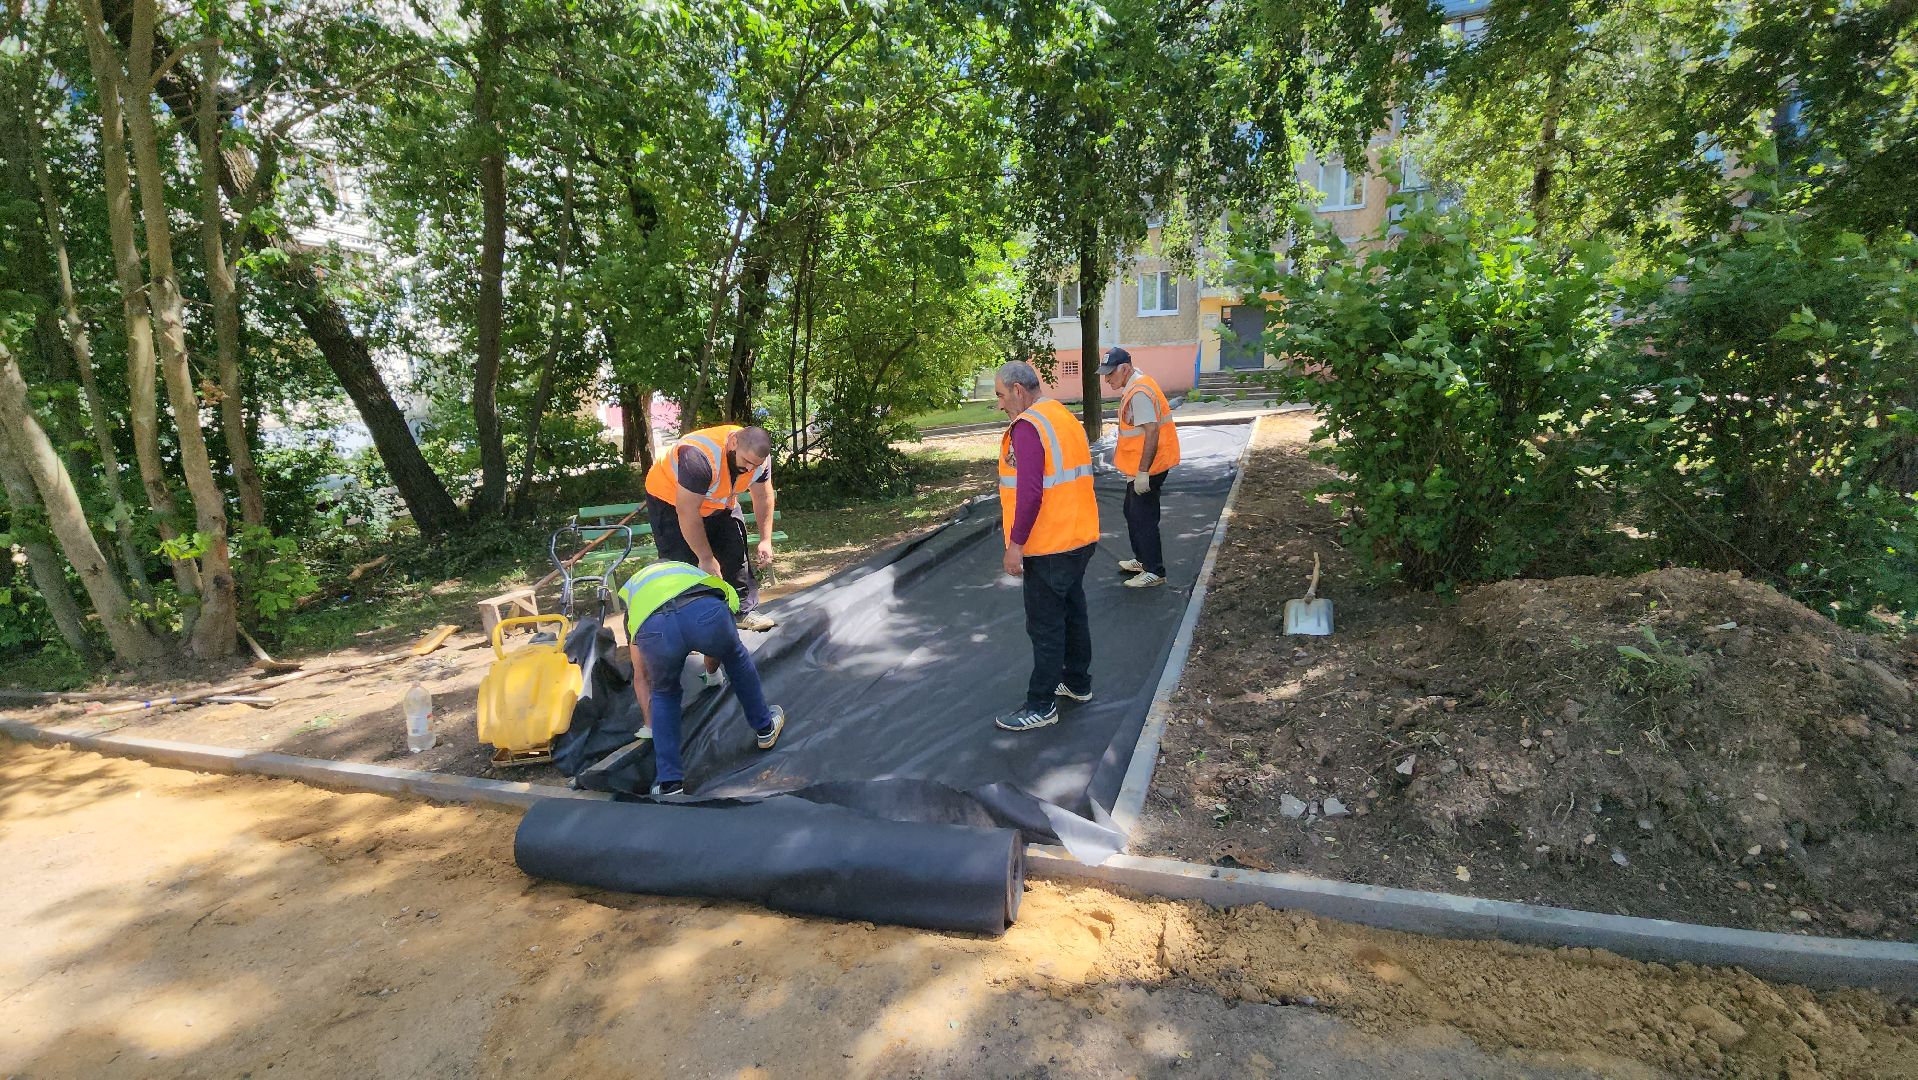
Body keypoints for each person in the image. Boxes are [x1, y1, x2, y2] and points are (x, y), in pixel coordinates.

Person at [992, 359, 1100, 732]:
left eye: (1002, 396)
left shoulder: (1028, 427)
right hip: (1078, 536)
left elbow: (1030, 492)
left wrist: (1015, 545)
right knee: (1073, 611)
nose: (1001, 405)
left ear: (1018, 390)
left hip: (1049, 544)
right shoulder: (1061, 416)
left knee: (1045, 625)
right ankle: (1077, 682)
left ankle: (1041, 704)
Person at [619, 560, 786, 796]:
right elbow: (718, 634)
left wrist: (650, 726)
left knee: (664, 693)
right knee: (736, 658)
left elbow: (642, 675)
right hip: (705, 613)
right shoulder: (690, 573)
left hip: (655, 628)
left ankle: (669, 782)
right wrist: (712, 673)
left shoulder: (635, 595)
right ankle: (765, 727)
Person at [643, 424, 779, 634]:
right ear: (733, 442)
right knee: (682, 563)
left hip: (720, 501)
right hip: (670, 500)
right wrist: (705, 558)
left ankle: (743, 612)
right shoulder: (698, 456)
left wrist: (765, 539)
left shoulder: (760, 461)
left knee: (735, 552)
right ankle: (689, 629)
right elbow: (688, 512)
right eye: (746, 462)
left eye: (755, 465)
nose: (750, 469)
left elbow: (763, 497)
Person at [1100, 346, 1180, 588]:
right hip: (1139, 467)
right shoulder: (1136, 383)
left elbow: (1152, 431)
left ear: (1124, 369)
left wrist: (1143, 472)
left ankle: (1154, 571)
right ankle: (1143, 560)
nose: (1107, 379)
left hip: (1149, 467)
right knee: (1131, 511)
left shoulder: (1139, 392)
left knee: (1143, 517)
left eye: (1110, 374)